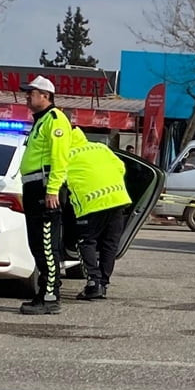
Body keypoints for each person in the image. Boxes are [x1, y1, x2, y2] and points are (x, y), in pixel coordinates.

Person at [18, 75, 73, 315]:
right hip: (33, 189)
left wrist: (52, 190)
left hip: (45, 190)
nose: (27, 96)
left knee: (47, 246)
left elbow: (59, 158)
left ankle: (50, 296)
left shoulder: (55, 119)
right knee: (37, 244)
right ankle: (44, 293)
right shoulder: (40, 121)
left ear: (46, 96)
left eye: (32, 92)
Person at [64, 128, 132, 300]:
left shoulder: (64, 155)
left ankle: (93, 282)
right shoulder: (101, 148)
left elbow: (57, 179)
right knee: (109, 244)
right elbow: (121, 167)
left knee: (85, 242)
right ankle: (103, 283)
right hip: (117, 199)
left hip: (90, 203)